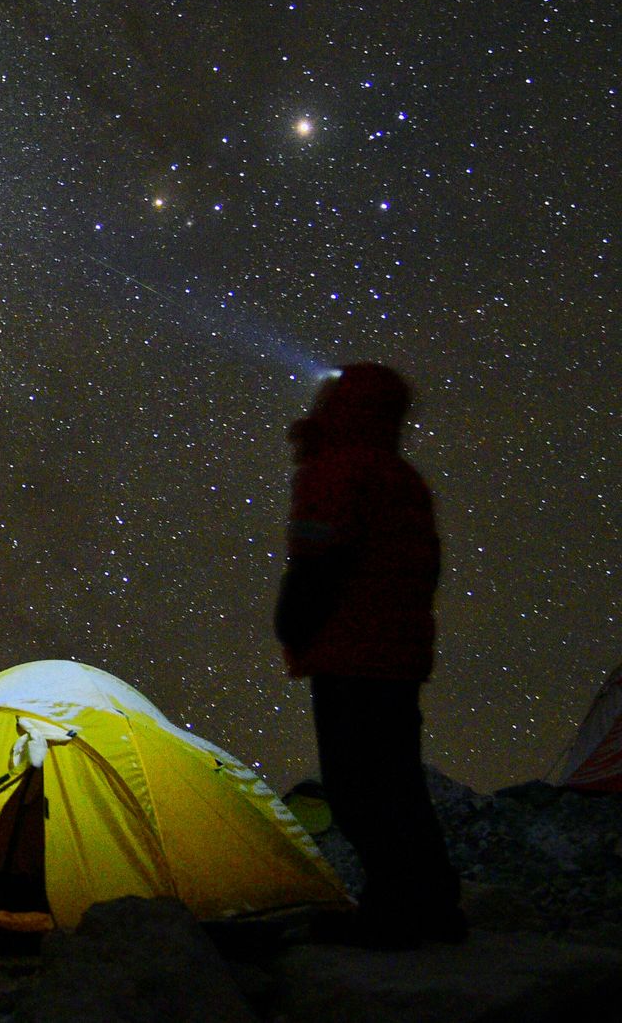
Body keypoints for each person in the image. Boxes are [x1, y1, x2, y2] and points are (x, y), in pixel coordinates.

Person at [273, 362, 466, 947]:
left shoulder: (340, 468)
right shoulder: (398, 475)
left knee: (358, 786)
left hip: (351, 652)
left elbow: (319, 557)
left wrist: (294, 625)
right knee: (395, 782)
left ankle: (400, 916)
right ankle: (424, 906)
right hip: (395, 654)